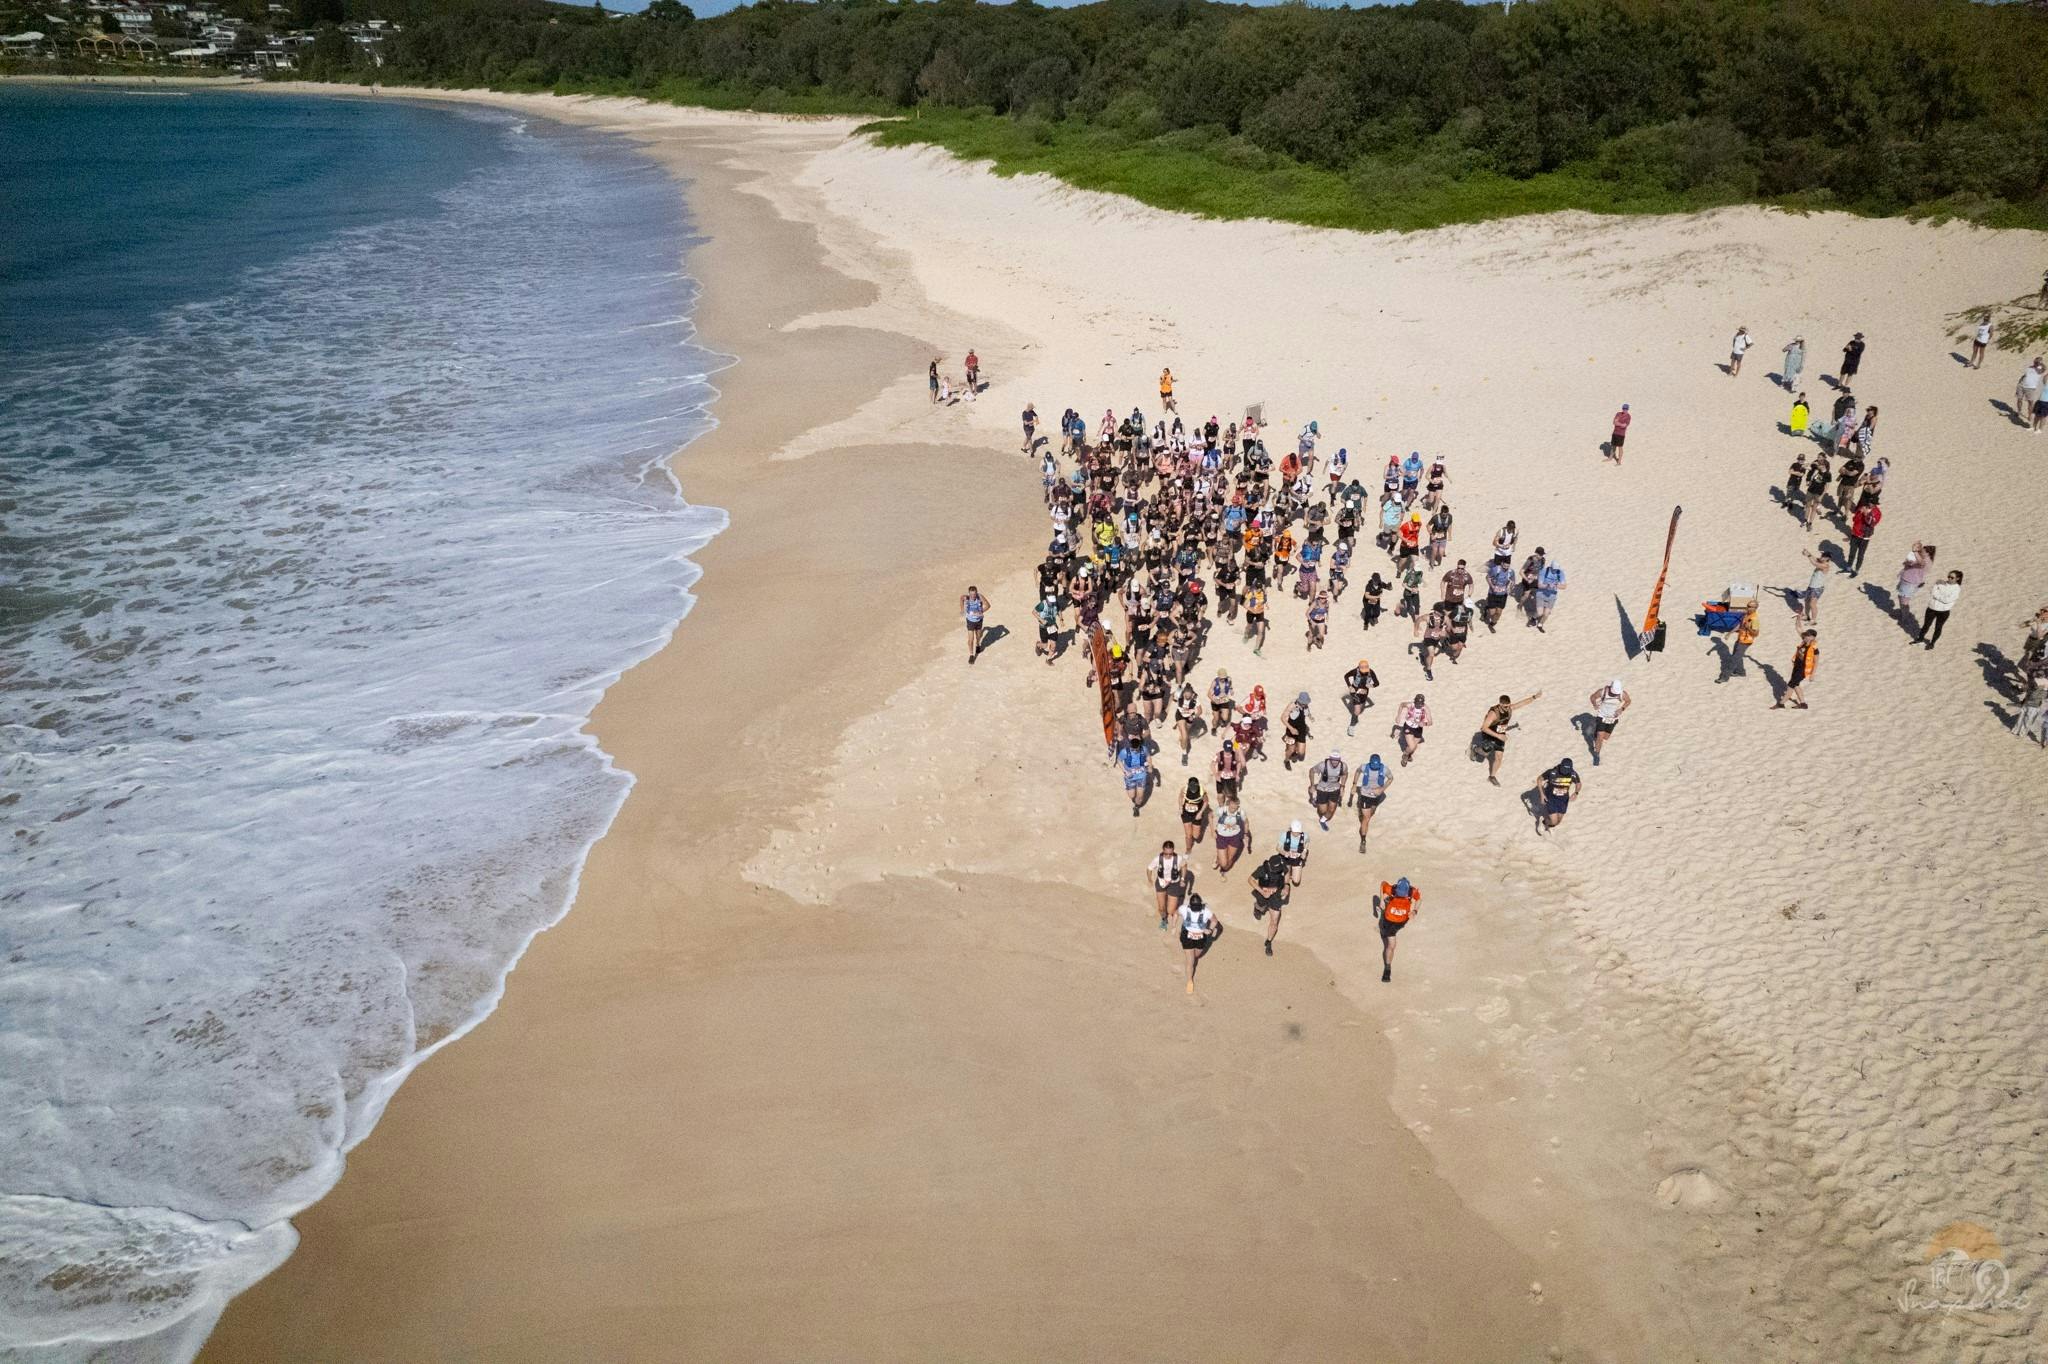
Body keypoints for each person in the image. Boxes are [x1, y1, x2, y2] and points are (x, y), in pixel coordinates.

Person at [1477, 692, 1539, 786]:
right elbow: (1484, 728)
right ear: (1500, 704)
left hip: (1500, 734)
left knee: (1499, 758)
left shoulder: (1509, 708)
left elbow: (1521, 704)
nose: (1507, 708)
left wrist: (1534, 697)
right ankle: (1476, 749)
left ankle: (1492, 776)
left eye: (1508, 705)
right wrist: (1498, 736)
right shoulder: (1493, 713)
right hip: (1490, 733)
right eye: (1505, 706)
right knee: (1486, 750)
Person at [1372, 877, 1420, 982]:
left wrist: (1415, 911)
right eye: (1399, 893)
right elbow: (1382, 884)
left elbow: (1419, 899)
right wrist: (1381, 901)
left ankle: (1387, 909)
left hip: (1402, 921)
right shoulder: (1391, 889)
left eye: (1403, 894)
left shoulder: (1413, 891)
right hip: (1389, 922)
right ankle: (1387, 969)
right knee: (1391, 946)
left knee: (1391, 935)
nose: (1401, 895)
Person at [1178, 890, 1216, 992]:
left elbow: (1214, 921)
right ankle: (1189, 981)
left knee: (1197, 956)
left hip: (1201, 938)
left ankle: (1190, 960)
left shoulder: (1206, 911)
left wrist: (1211, 930)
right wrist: (1173, 926)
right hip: (1188, 937)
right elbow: (1176, 914)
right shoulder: (1183, 909)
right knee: (1190, 961)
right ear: (1190, 905)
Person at [1352, 753, 1391, 852]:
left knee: (1371, 812)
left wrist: (1382, 789)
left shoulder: (1384, 769)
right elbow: (1357, 771)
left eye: (1376, 768)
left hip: (1376, 797)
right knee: (1366, 818)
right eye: (1373, 768)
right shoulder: (1364, 767)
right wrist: (1354, 784)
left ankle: (1364, 816)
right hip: (1365, 795)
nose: (1375, 769)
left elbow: (1391, 778)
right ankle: (1363, 841)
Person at [1588, 678, 1630, 766]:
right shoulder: (1603, 691)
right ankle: (1597, 755)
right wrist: (1594, 704)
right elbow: (1592, 697)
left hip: (1613, 718)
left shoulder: (1622, 694)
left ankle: (1596, 733)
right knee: (1600, 736)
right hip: (1602, 716)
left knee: (1606, 737)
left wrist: (1621, 709)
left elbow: (1628, 701)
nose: (1615, 694)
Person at [1249, 853, 1289, 947]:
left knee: (1274, 921)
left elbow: (1287, 873)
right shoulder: (1262, 869)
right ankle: (1257, 909)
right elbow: (1250, 880)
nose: (1277, 872)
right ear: (1270, 866)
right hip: (1263, 893)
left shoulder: (1281, 865)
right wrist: (1262, 892)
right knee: (1260, 906)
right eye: (1275, 870)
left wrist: (1287, 886)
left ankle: (1268, 941)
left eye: (1278, 870)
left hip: (1276, 895)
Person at [1917, 570, 1963, 649]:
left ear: (1957, 579)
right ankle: (1919, 639)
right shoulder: (1939, 582)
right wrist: (1940, 596)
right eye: (1948, 576)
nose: (1949, 578)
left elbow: (1947, 600)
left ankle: (1932, 643)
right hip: (1932, 608)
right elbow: (1932, 592)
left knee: (1938, 627)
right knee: (1926, 625)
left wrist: (1937, 595)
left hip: (1943, 611)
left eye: (1952, 577)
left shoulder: (1957, 589)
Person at [1773, 629, 1818, 709]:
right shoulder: (1804, 642)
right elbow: (1798, 628)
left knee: (1791, 686)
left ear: (1812, 637)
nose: (1805, 637)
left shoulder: (1815, 649)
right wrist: (1798, 618)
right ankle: (1803, 704)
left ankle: (1781, 703)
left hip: (1802, 671)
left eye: (1807, 636)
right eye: (1805, 635)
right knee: (1796, 685)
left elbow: (1816, 662)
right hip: (1796, 668)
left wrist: (1813, 674)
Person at [1534, 758, 1579, 833]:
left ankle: (1549, 825)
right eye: (1563, 770)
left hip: (1564, 799)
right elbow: (1539, 779)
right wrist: (1542, 794)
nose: (1565, 773)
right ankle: (1543, 822)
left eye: (1567, 771)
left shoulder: (1573, 774)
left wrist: (1576, 792)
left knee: (1558, 821)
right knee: (1554, 821)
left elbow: (1578, 783)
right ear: (1561, 766)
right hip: (1551, 797)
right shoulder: (1552, 772)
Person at [1148, 839, 1185, 929]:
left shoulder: (1178, 858)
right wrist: (1150, 879)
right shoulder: (1158, 859)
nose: (1168, 856)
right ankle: (1164, 920)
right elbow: (1149, 868)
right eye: (1166, 853)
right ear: (1163, 850)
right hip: (1161, 882)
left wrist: (1182, 879)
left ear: (1173, 851)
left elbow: (1184, 866)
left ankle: (1176, 899)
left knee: (1171, 910)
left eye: (1170, 854)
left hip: (1174, 883)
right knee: (1161, 908)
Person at [1307, 750, 1347, 831]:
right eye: (1333, 760)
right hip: (1323, 789)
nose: (1335, 762)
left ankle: (1322, 821)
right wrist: (1312, 785)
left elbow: (1345, 774)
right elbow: (1311, 771)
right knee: (1322, 811)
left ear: (1339, 759)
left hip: (1335, 789)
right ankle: (1316, 800)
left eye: (1337, 760)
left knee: (1331, 810)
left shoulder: (1343, 766)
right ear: (1330, 759)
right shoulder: (1322, 765)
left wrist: (1342, 786)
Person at [1213, 794, 1248, 877]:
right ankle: (1219, 859)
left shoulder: (1241, 812)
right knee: (1223, 862)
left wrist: (1246, 834)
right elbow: (1210, 816)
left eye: (1235, 808)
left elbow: (1246, 822)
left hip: (1235, 837)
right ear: (1228, 804)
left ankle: (1223, 869)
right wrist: (1212, 831)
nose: (1233, 810)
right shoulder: (1222, 810)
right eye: (1231, 807)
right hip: (1221, 837)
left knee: (1229, 859)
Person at [1845, 500, 1882, 576]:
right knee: (1852, 552)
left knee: (1860, 555)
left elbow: (1871, 524)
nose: (1870, 504)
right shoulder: (1862, 507)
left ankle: (1856, 570)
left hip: (1864, 537)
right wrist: (1860, 512)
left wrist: (1866, 514)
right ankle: (1848, 567)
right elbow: (1854, 519)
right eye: (1869, 502)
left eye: (1872, 503)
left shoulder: (1877, 512)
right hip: (1855, 534)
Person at [1343, 657, 1379, 735]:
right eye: (1363, 671)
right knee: (1357, 710)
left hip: (1364, 692)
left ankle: (1355, 716)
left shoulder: (1370, 672)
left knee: (1361, 707)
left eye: (1366, 670)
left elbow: (1377, 683)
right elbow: (1346, 676)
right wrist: (1350, 686)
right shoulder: (1355, 671)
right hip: (1355, 691)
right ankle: (1351, 727)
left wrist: (1370, 685)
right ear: (1359, 668)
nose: (1364, 672)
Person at [1395, 691, 1431, 766]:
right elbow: (1402, 705)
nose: (1418, 705)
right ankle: (1405, 755)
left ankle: (1408, 754)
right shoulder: (1410, 705)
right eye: (1417, 703)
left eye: (1420, 704)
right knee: (1412, 746)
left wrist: (1424, 724)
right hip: (1408, 727)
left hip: (1418, 729)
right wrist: (1398, 716)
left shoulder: (1425, 708)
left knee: (1414, 746)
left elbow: (1430, 722)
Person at [1531, 556, 1566, 631]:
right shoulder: (1543, 571)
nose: (1555, 571)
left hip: (1552, 595)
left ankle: (1540, 625)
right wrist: (1547, 585)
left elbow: (1564, 586)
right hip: (1541, 593)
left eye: (1557, 570)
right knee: (1540, 613)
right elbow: (1539, 585)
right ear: (1551, 567)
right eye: (1554, 569)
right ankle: (1533, 618)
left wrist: (1557, 585)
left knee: (1546, 614)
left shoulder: (1560, 573)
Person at [1726, 602, 1760, 681]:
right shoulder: (1746, 615)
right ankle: (1740, 672)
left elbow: (1756, 634)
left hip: (1746, 641)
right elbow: (1740, 625)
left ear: (1756, 608)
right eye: (1748, 606)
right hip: (1740, 638)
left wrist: (1748, 628)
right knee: (1737, 655)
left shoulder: (1755, 619)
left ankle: (1725, 676)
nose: (1749, 608)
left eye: (1752, 607)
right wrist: (1730, 633)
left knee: (1734, 658)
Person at [1797, 549, 1831, 626]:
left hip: (1817, 588)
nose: (1821, 557)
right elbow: (1815, 558)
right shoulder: (1821, 561)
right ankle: (1807, 616)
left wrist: (1808, 555)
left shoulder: (1825, 566)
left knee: (1812, 604)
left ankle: (1813, 621)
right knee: (1806, 601)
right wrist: (1808, 552)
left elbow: (1814, 563)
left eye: (1823, 556)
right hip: (1812, 586)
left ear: (1827, 558)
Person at [1117, 738, 1151, 813]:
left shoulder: (1144, 749)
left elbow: (1148, 756)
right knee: (1132, 796)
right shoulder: (1125, 752)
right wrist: (1125, 771)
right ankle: (1129, 789)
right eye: (1133, 749)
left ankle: (1136, 807)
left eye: (1137, 749)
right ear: (1130, 746)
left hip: (1141, 776)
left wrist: (1150, 766)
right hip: (1130, 777)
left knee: (1140, 797)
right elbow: (1119, 760)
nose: (1135, 751)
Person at [1281, 691, 1311, 770]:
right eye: (1304, 703)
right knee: (1290, 750)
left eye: (1306, 703)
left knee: (1301, 753)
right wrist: (1291, 729)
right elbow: (1283, 718)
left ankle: (1295, 747)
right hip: (1292, 730)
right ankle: (1286, 760)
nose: (1305, 704)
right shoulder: (1292, 706)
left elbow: (1307, 712)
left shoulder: (1305, 705)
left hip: (1301, 730)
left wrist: (1310, 716)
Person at [1178, 777, 1209, 853]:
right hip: (1186, 814)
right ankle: (1188, 848)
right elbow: (1180, 797)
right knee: (1188, 835)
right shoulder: (1184, 789)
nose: (1193, 789)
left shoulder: (1202, 791)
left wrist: (1200, 812)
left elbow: (1206, 802)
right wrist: (1180, 807)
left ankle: (1196, 830)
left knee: (1196, 836)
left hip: (1197, 814)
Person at [1174, 682, 1202, 766]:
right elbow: (1172, 696)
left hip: (1190, 717)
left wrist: (1194, 717)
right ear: (1183, 692)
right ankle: (1184, 754)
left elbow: (1200, 711)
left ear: (1192, 693)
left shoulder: (1195, 699)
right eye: (1185, 693)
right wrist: (1167, 709)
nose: (1187, 695)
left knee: (1186, 731)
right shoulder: (1179, 694)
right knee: (1185, 736)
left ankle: (1182, 737)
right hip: (1180, 715)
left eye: (1189, 693)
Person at [961, 586, 990, 664]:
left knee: (978, 636)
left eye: (974, 594)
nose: (973, 596)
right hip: (970, 621)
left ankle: (978, 645)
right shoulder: (966, 597)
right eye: (971, 594)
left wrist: (981, 612)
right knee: (971, 639)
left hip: (979, 620)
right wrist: (962, 610)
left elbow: (988, 605)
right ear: (969, 594)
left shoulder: (980, 597)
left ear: (976, 593)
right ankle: (971, 655)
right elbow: (961, 598)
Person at [1279, 818, 1309, 888]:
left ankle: (1296, 868)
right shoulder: (1284, 835)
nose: (1296, 833)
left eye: (1298, 832)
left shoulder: (1305, 836)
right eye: (1294, 832)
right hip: (1286, 858)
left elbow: (1307, 842)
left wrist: (1304, 851)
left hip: (1297, 858)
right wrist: (1284, 853)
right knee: (1285, 881)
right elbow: (1278, 847)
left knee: (1296, 881)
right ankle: (1288, 870)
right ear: (1291, 829)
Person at [1033, 594, 1061, 663]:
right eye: (1051, 602)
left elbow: (1059, 610)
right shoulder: (1042, 604)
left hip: (1053, 627)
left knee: (1053, 645)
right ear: (1047, 600)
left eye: (1053, 602)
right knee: (1045, 645)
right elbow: (1034, 612)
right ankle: (1038, 645)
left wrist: (1061, 618)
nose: (1052, 603)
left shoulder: (1055, 603)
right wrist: (1041, 620)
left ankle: (1048, 659)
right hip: (1043, 628)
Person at [2015, 360, 2043, 428]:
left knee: (2030, 402)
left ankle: (2029, 415)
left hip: (2031, 388)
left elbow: (2044, 369)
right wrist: (2018, 384)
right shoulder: (2029, 368)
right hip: (2021, 385)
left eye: (2038, 362)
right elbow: (2023, 376)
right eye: (2035, 361)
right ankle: (2019, 411)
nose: (2036, 363)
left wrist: (2040, 364)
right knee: (2019, 399)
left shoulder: (2040, 369)